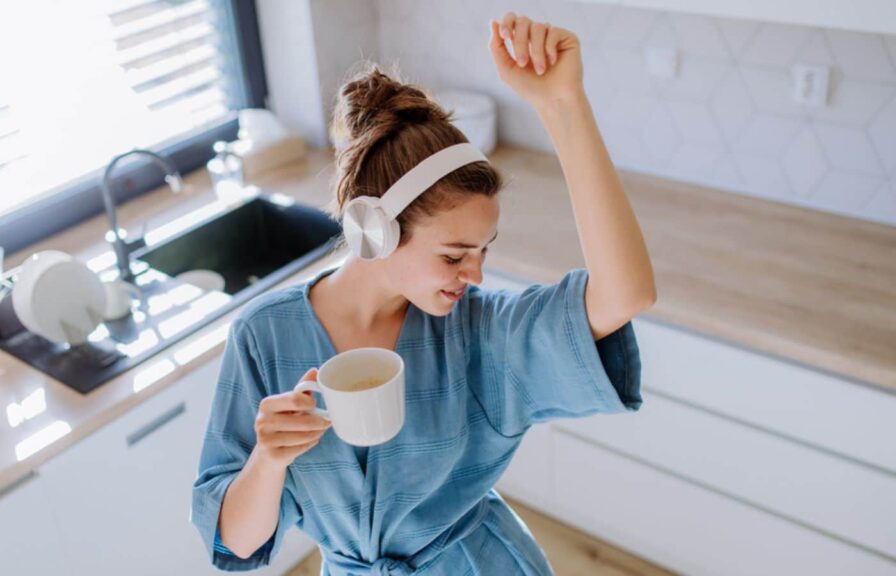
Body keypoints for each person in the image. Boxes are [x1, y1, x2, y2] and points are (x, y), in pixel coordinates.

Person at [191, 12, 657, 576]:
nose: (476, 275)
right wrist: (267, 459)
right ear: (375, 229)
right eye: (454, 255)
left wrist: (564, 105)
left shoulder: (479, 333)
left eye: (484, 252)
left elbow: (625, 293)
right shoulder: (264, 337)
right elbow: (235, 546)